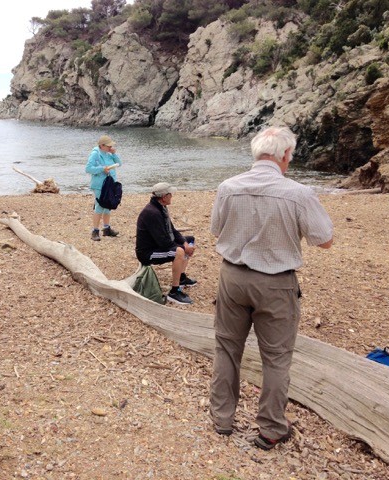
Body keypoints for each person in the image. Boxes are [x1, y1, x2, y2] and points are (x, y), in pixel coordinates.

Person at [209, 126, 333, 450]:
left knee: (226, 348)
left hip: (232, 276)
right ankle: (271, 428)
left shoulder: (228, 187)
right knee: (276, 358)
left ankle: (222, 420)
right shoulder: (298, 193)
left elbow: (216, 229)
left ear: (256, 152)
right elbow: (325, 240)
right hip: (276, 283)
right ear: (285, 155)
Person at [135, 182, 197, 305]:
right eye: (170, 194)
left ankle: (181, 277)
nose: (172, 196)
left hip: (159, 244)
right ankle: (174, 291)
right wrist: (183, 248)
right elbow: (164, 243)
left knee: (190, 240)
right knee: (179, 252)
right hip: (148, 253)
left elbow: (172, 230)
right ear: (164, 196)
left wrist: (185, 243)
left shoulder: (161, 207)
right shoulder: (152, 213)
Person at [85, 135, 121, 241]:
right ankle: (95, 231)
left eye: (111, 146)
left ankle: (106, 228)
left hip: (110, 183)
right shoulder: (95, 154)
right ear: (102, 146)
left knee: (108, 205)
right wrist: (102, 169)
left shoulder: (108, 153)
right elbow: (88, 169)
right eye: (108, 146)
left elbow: (119, 163)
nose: (110, 147)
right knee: (100, 206)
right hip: (99, 184)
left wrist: (114, 154)